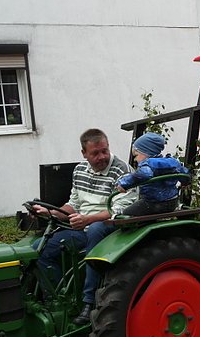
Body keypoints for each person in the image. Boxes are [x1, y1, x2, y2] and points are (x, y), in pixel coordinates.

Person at [33, 128, 136, 324]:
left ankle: (89, 301)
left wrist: (88, 220)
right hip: (83, 227)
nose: (102, 157)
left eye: (104, 151)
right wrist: (51, 212)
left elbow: (119, 211)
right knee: (39, 248)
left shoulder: (122, 171)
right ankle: (60, 300)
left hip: (109, 228)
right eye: (95, 153)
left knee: (95, 231)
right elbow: (73, 205)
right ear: (84, 153)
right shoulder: (80, 170)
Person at [117, 132, 190, 216]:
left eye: (136, 155)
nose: (135, 159)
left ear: (146, 152)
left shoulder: (148, 163)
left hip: (153, 203)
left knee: (126, 214)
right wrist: (185, 181)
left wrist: (124, 183)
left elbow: (144, 174)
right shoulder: (171, 162)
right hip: (172, 202)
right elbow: (184, 173)